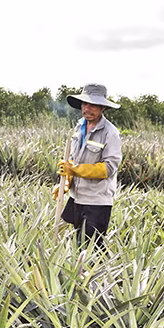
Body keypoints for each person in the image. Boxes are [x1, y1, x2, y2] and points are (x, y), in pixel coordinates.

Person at [54, 84, 122, 247]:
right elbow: (73, 160)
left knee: (91, 249)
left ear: (102, 108)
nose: (87, 108)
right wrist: (66, 182)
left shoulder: (110, 132)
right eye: (85, 103)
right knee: (76, 247)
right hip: (77, 198)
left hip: (96, 202)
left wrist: (74, 170)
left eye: (93, 105)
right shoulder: (79, 128)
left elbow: (108, 168)